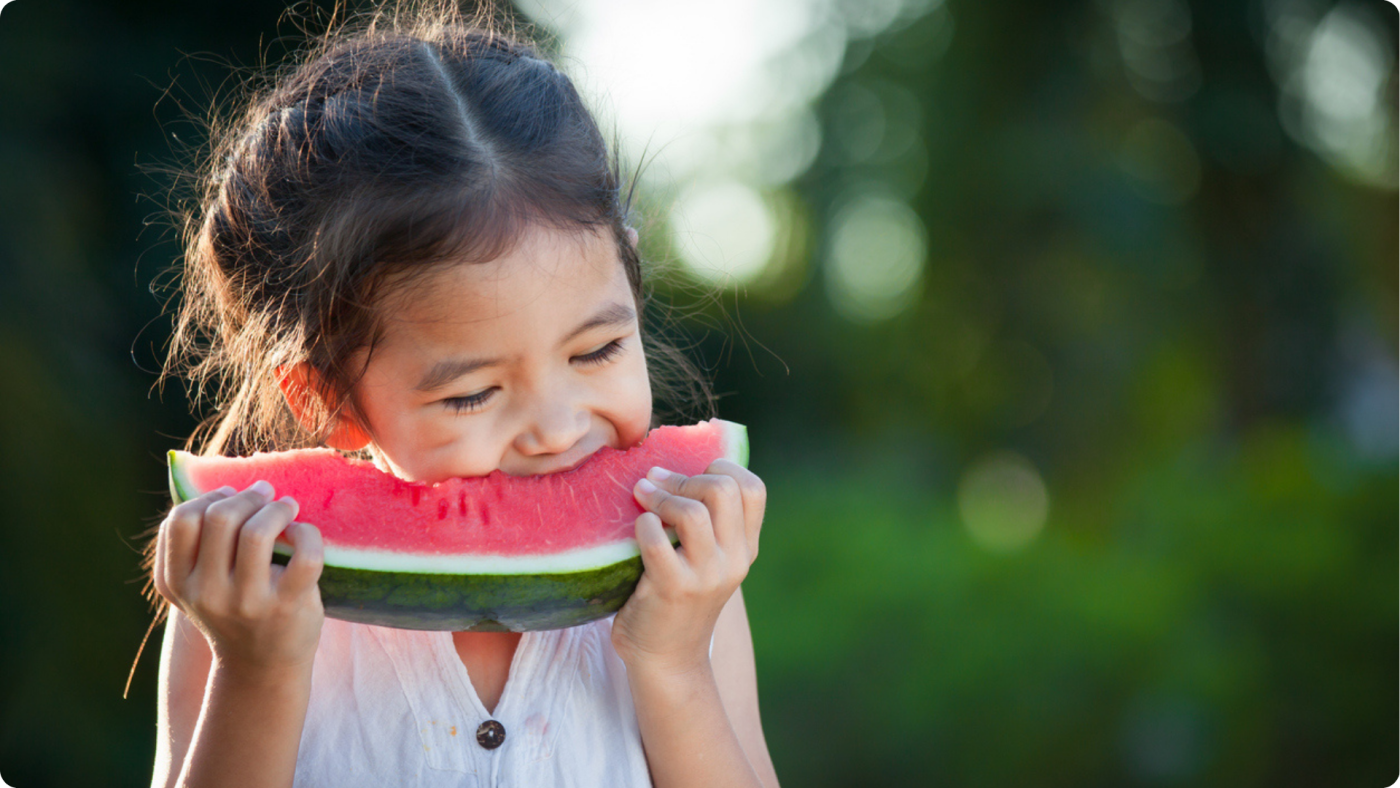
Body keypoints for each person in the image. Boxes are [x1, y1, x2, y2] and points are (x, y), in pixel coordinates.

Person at [145, 4, 778, 786]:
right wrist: (259, 672)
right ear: (326, 401)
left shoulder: (690, 578)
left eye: (600, 349)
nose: (554, 427)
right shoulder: (240, 596)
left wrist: (674, 663)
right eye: (473, 395)